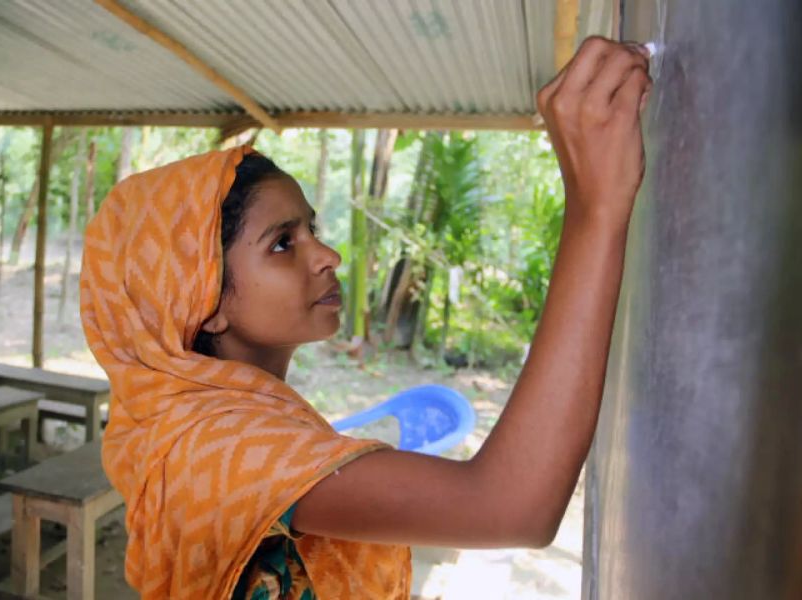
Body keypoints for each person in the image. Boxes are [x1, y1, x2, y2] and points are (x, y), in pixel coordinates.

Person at [80, 37, 651, 600]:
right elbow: (508, 506)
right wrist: (595, 210)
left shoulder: (221, 419)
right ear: (200, 296)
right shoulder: (219, 445)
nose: (327, 256)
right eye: (283, 243)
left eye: (313, 231)